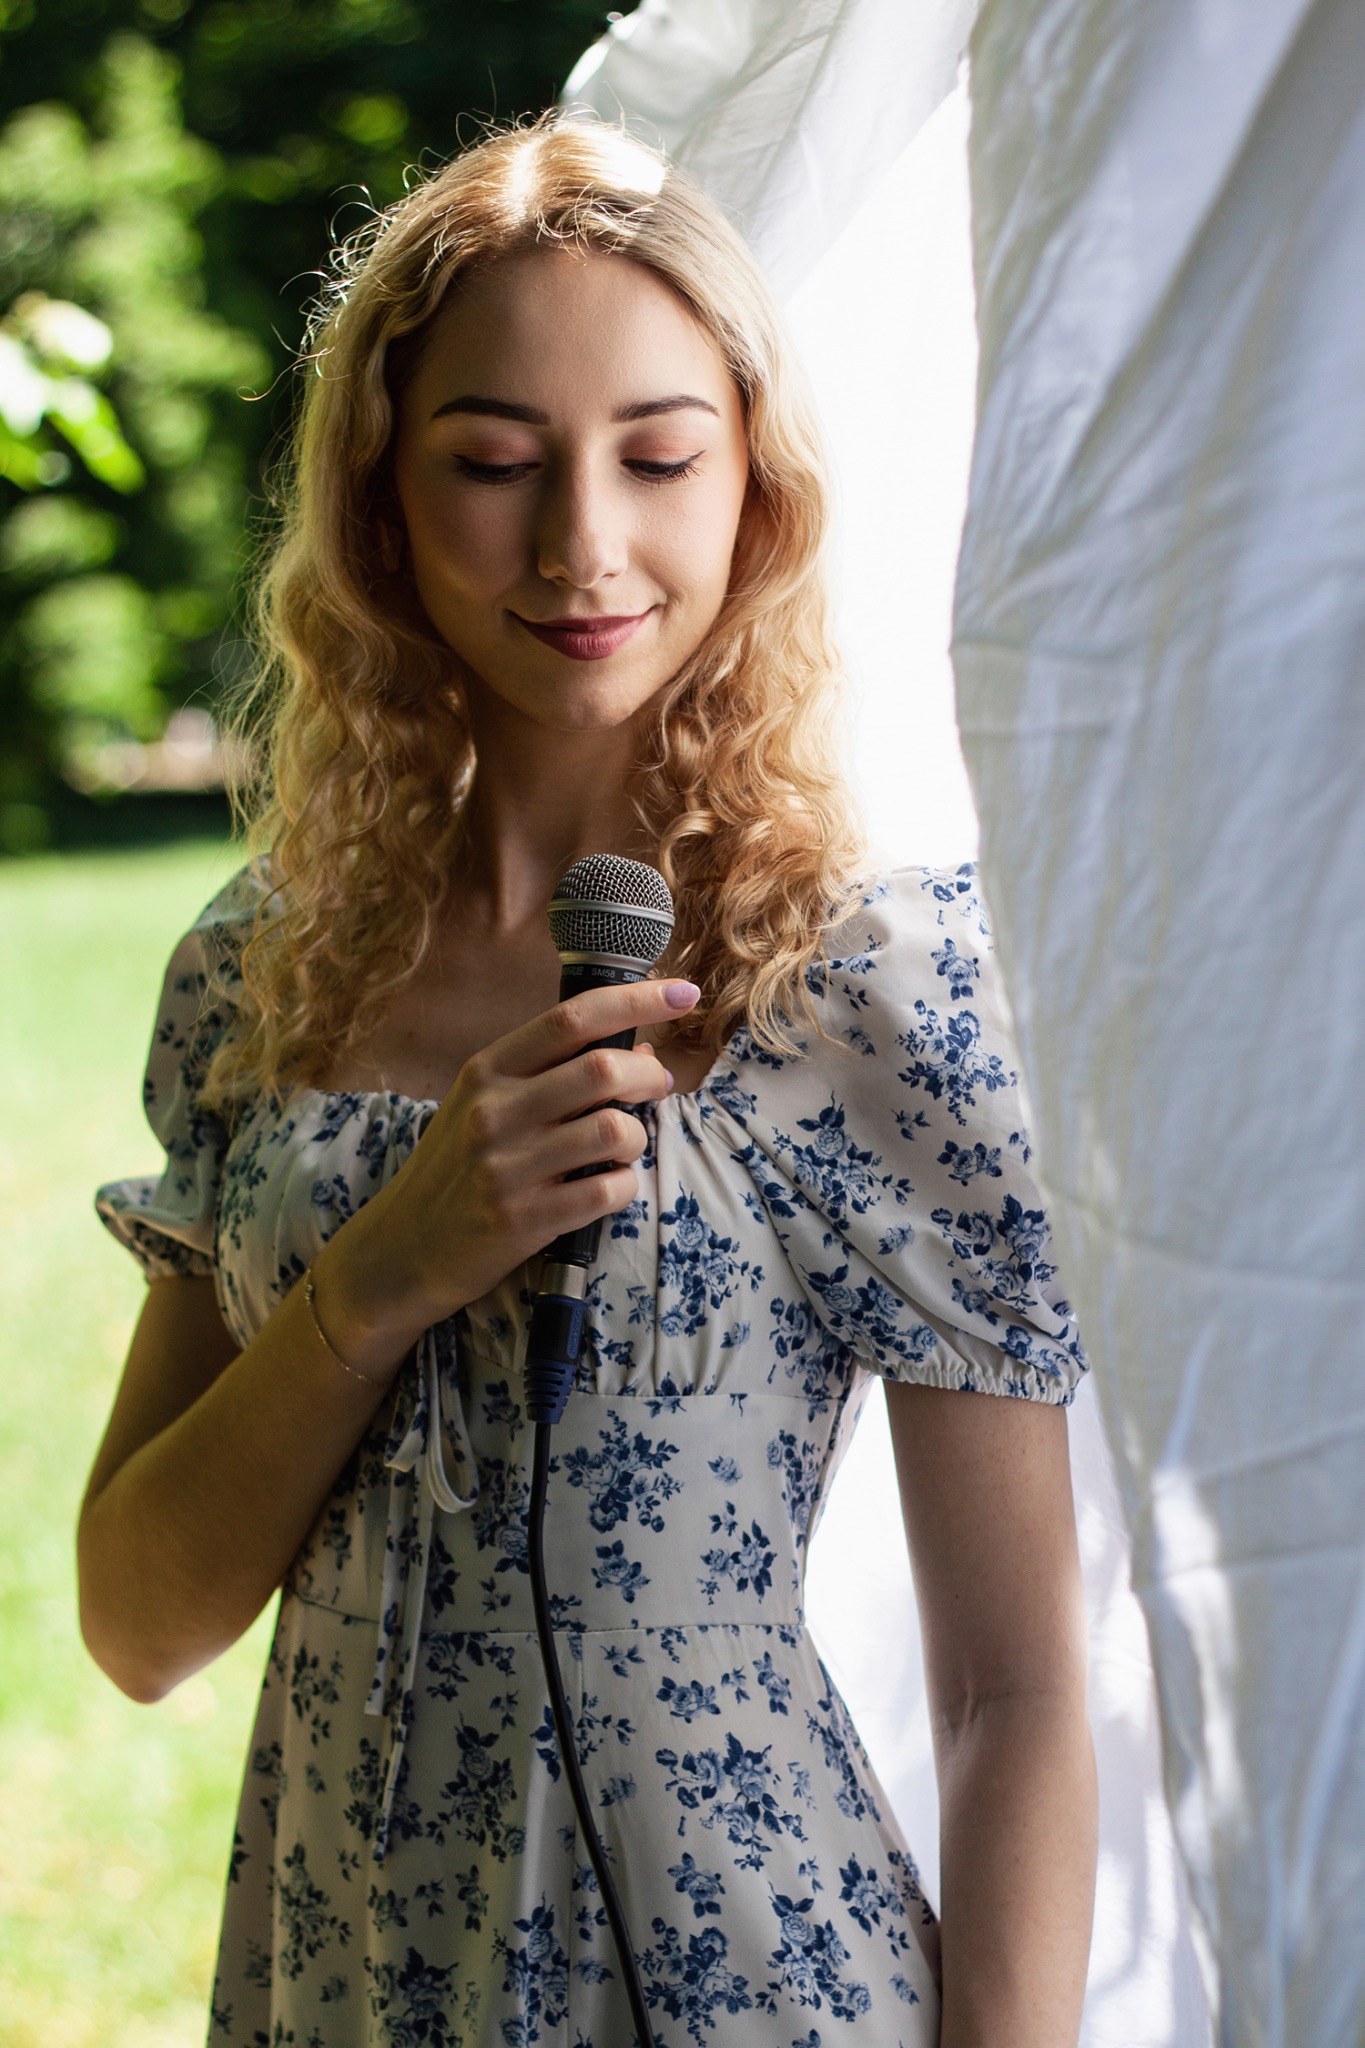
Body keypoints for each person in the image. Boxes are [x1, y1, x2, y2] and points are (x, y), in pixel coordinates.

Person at [80, 117, 1097, 2048]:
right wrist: (381, 1272)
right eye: (492, 463)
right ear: (383, 498)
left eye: (655, 456)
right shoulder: (266, 971)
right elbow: (138, 1625)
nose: (582, 548)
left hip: (743, 1981)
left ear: (754, 489)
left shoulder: (869, 988)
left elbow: (1016, 1696)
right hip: (352, 1977)